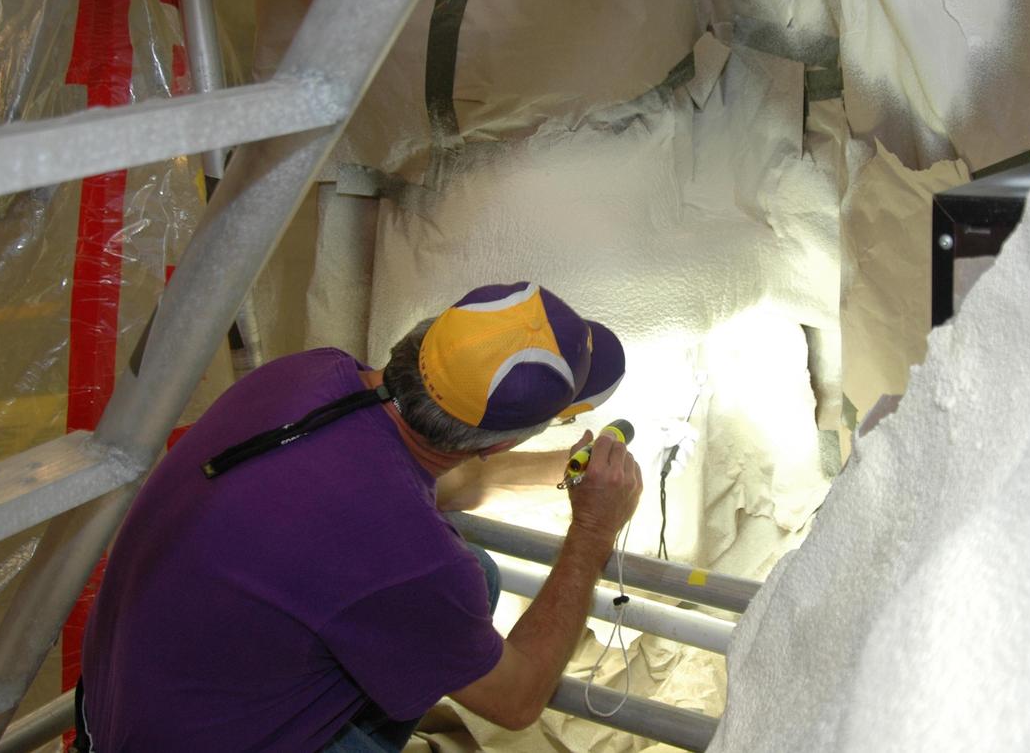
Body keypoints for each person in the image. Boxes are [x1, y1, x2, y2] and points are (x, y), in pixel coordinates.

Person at [76, 281, 642, 752]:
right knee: (460, 590)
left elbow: (424, 484)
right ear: (494, 444)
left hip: (119, 701)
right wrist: (593, 528)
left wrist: (564, 472)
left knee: (479, 574)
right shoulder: (410, 558)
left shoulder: (312, 373)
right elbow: (518, 700)